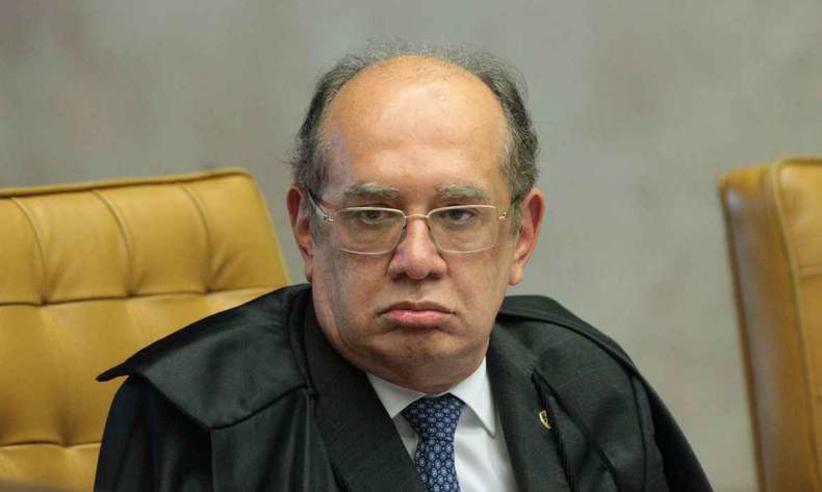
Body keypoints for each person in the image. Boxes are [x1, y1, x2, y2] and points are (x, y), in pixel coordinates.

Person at [94, 44, 711, 491]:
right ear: (308, 231)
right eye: (372, 215)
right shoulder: (192, 421)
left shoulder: (590, 384)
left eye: (459, 215)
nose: (417, 260)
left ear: (521, 236)